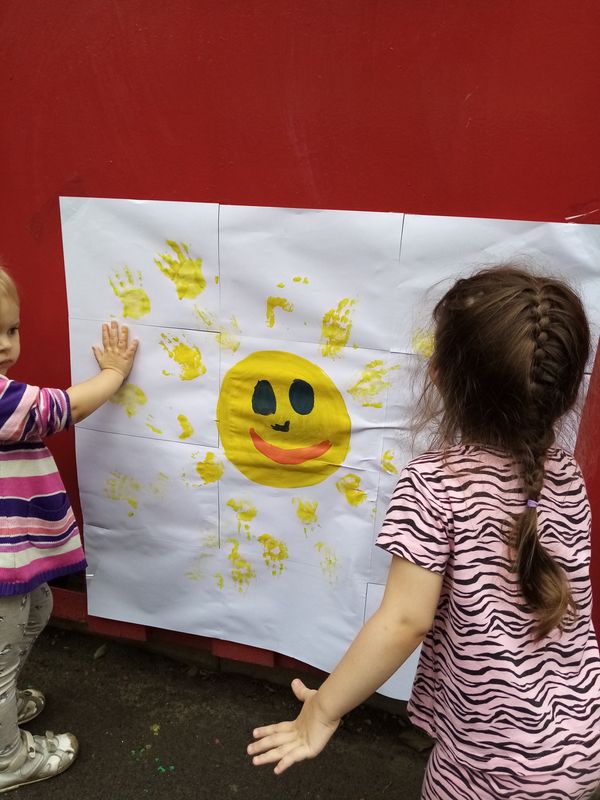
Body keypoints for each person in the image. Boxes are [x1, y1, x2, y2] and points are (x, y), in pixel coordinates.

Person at [248, 265, 600, 799]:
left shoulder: (435, 484)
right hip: (582, 736)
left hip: (490, 764)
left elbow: (404, 621)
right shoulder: (566, 472)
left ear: (439, 374)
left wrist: (322, 711)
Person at [0, 266, 138, 792]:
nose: (5, 344)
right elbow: (63, 408)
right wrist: (115, 374)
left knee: (38, 609)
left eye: (11, 329)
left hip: (13, 556)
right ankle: (7, 759)